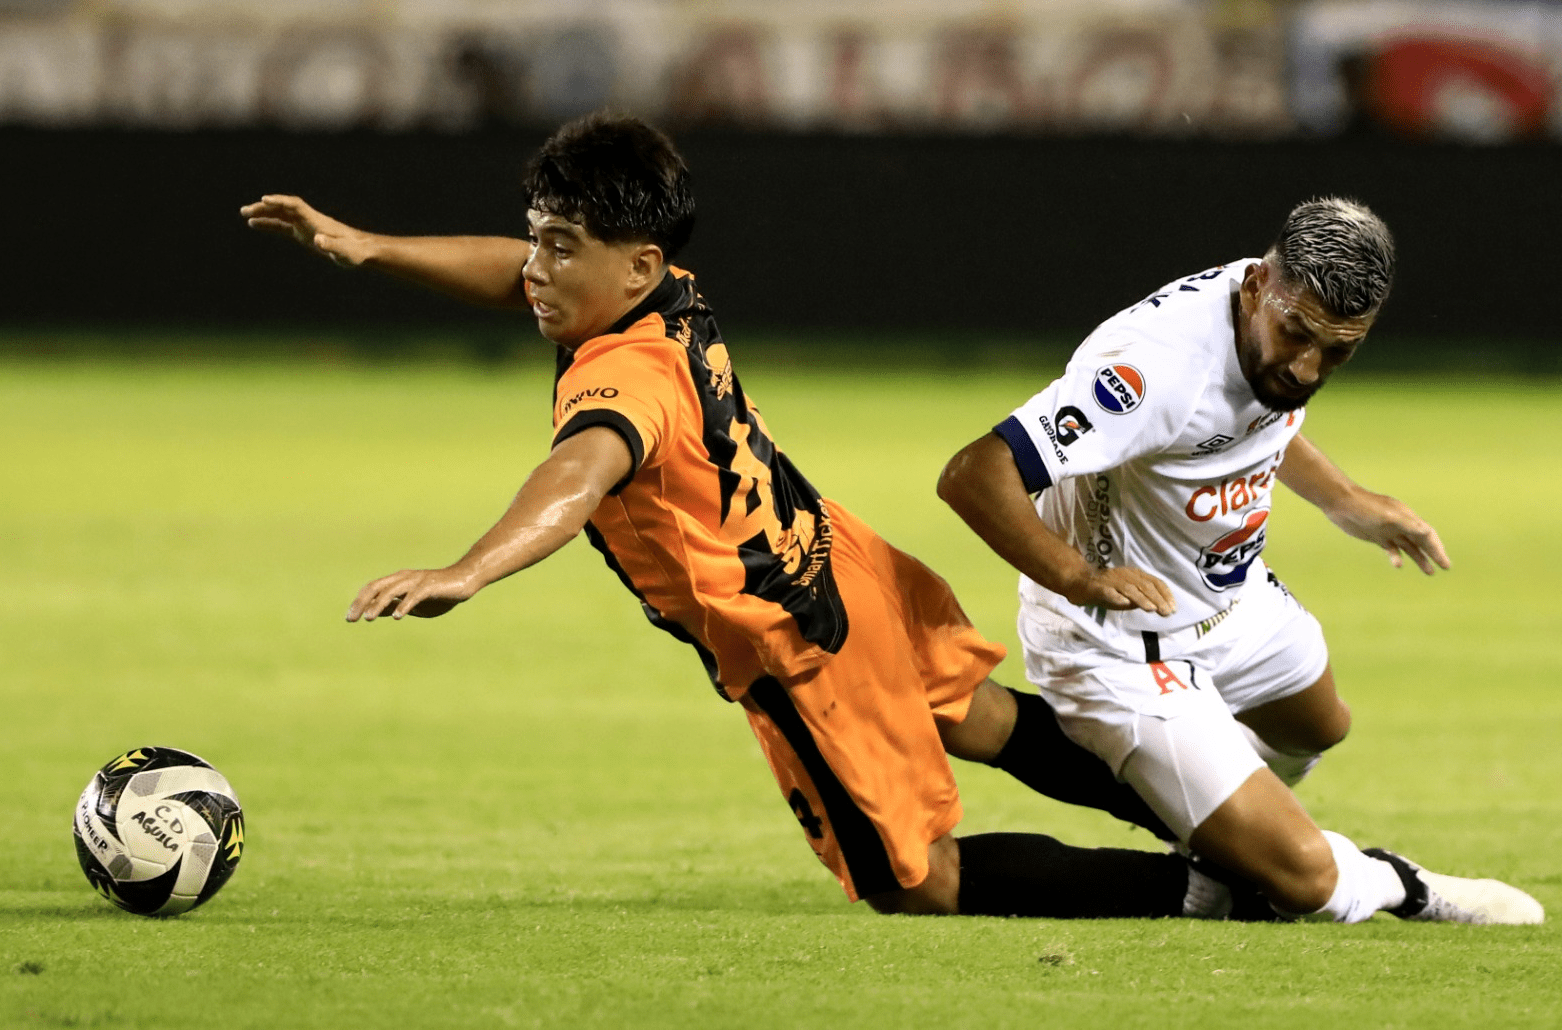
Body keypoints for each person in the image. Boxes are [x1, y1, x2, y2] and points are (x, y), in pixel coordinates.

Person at [242, 112, 1260, 921]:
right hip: (844, 559)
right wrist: (365, 246)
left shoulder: (624, 378)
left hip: (791, 638)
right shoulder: (666, 289)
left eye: (560, 247)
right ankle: (1250, 824)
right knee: (985, 718)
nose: (536, 268)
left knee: (914, 879)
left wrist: (467, 568)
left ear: (631, 264)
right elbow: (510, 274)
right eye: (539, 242)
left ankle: (1214, 887)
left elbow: (577, 475)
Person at [938, 198, 1544, 925]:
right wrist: (1077, 577)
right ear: (1259, 286)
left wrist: (1344, 500)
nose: (1309, 367)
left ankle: (1222, 831)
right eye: (1299, 336)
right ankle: (1390, 881)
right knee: (1309, 886)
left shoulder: (1275, 310)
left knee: (1319, 725)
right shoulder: (1153, 372)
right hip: (1123, 639)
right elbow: (975, 473)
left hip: (1233, 598)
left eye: (1340, 351)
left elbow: (1254, 421)